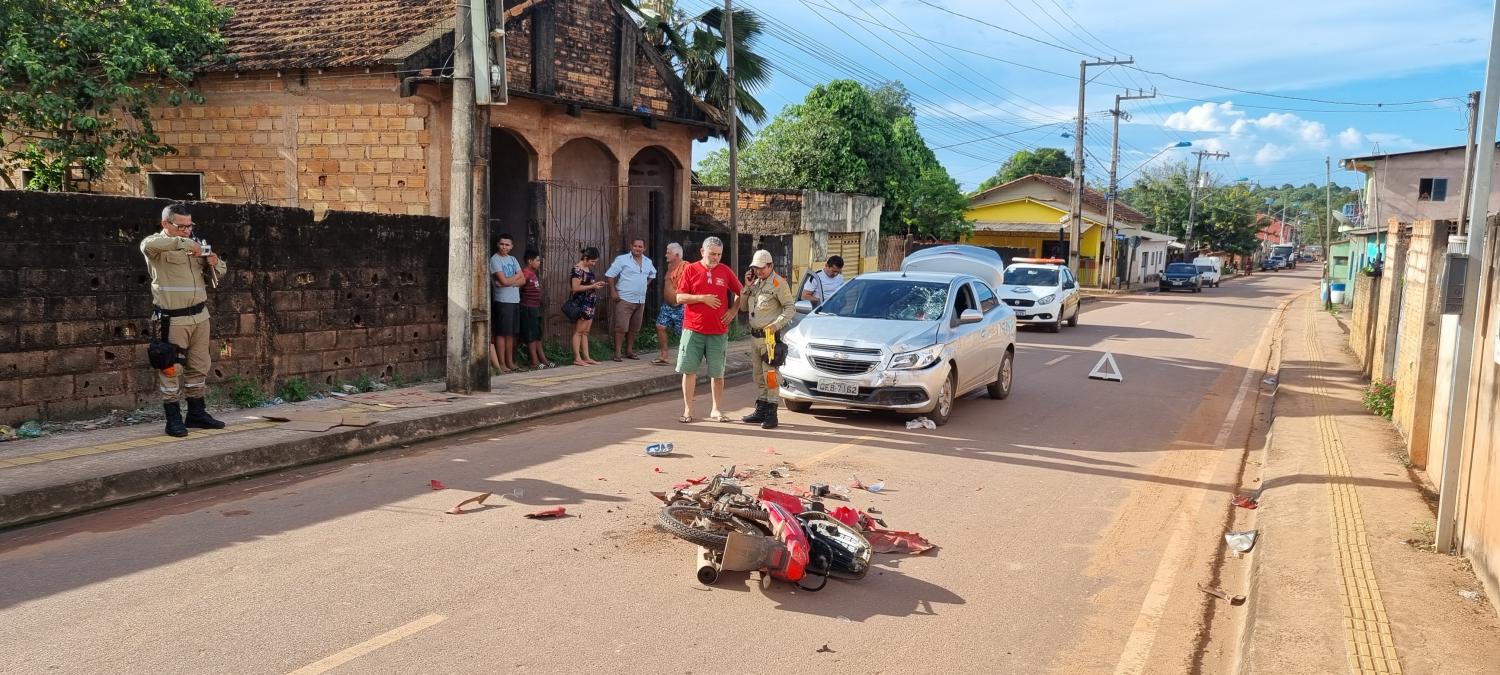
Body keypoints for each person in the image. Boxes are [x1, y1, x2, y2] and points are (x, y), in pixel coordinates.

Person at [140, 202, 227, 437]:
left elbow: (220, 271)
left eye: (190, 226)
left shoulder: (197, 244)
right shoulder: (155, 245)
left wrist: (214, 261)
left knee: (199, 366)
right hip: (173, 319)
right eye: (181, 226)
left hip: (200, 316)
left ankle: (196, 413)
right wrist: (186, 243)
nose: (187, 230)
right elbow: (149, 245)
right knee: (171, 368)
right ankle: (173, 419)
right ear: (165, 223)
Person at [674, 236, 741, 422]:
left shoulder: (725, 271)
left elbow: (741, 292)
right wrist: (702, 298)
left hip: (718, 331)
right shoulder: (690, 269)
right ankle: (688, 410)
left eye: (719, 254)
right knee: (689, 371)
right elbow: (679, 297)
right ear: (702, 252)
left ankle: (716, 409)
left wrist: (733, 311)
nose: (716, 258)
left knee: (717, 373)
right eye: (712, 254)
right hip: (693, 329)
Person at [738, 249, 795, 429]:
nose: (758, 271)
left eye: (762, 268)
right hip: (755, 337)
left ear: (771, 266)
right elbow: (743, 308)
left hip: (769, 336)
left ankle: (772, 411)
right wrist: (747, 286)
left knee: (770, 374)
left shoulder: (778, 283)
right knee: (758, 375)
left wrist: (776, 325)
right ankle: (761, 408)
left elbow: (790, 308)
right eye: (756, 268)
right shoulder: (755, 283)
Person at [604, 237, 656, 362]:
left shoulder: (648, 261)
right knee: (621, 327)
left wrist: (645, 285)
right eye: (635, 246)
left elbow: (653, 274)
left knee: (634, 328)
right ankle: (617, 353)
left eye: (640, 246)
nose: (637, 248)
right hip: (624, 298)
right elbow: (610, 275)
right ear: (631, 246)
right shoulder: (622, 259)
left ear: (644, 248)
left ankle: (629, 351)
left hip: (640, 300)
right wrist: (613, 291)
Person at [488, 234, 525, 373]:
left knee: (511, 334)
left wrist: (508, 282)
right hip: (503, 301)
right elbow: (503, 280)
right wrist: (515, 278)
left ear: (512, 246)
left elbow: (523, 280)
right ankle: (502, 363)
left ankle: (510, 362)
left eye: (507, 245)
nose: (504, 247)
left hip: (514, 300)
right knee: (502, 333)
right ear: (498, 244)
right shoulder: (495, 259)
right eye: (502, 244)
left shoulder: (513, 259)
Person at [569, 247, 608, 365]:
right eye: (592, 261)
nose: (594, 264)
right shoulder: (577, 269)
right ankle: (577, 358)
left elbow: (588, 284)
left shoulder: (587, 268)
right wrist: (593, 286)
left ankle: (586, 357)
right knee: (579, 331)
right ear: (585, 258)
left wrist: (596, 284)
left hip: (590, 302)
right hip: (582, 303)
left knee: (585, 332)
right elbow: (575, 288)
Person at [653, 242, 685, 365]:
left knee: (684, 333)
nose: (666, 255)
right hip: (667, 305)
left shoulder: (686, 266)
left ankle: (687, 357)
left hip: (681, 305)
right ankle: (664, 355)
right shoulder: (670, 266)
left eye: (668, 253)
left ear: (677, 255)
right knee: (660, 326)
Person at [519, 248, 552, 369]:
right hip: (528, 308)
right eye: (537, 260)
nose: (539, 263)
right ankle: (534, 361)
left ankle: (543, 359)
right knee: (531, 335)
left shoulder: (533, 274)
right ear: (530, 261)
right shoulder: (525, 274)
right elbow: (518, 289)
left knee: (537, 334)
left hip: (535, 307)